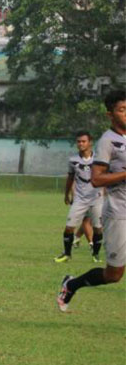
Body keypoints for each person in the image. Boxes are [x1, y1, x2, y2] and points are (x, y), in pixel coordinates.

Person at [57, 89, 126, 311]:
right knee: (114, 275)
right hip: (119, 213)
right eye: (122, 110)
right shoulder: (108, 142)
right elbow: (96, 179)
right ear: (110, 114)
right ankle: (72, 284)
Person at [54, 132, 104, 263]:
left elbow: (106, 176)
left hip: (96, 199)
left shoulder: (99, 159)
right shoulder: (73, 160)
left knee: (98, 228)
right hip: (80, 199)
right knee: (69, 227)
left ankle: (96, 254)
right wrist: (66, 194)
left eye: (83, 141)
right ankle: (67, 254)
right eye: (78, 142)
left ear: (90, 142)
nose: (80, 144)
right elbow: (70, 178)